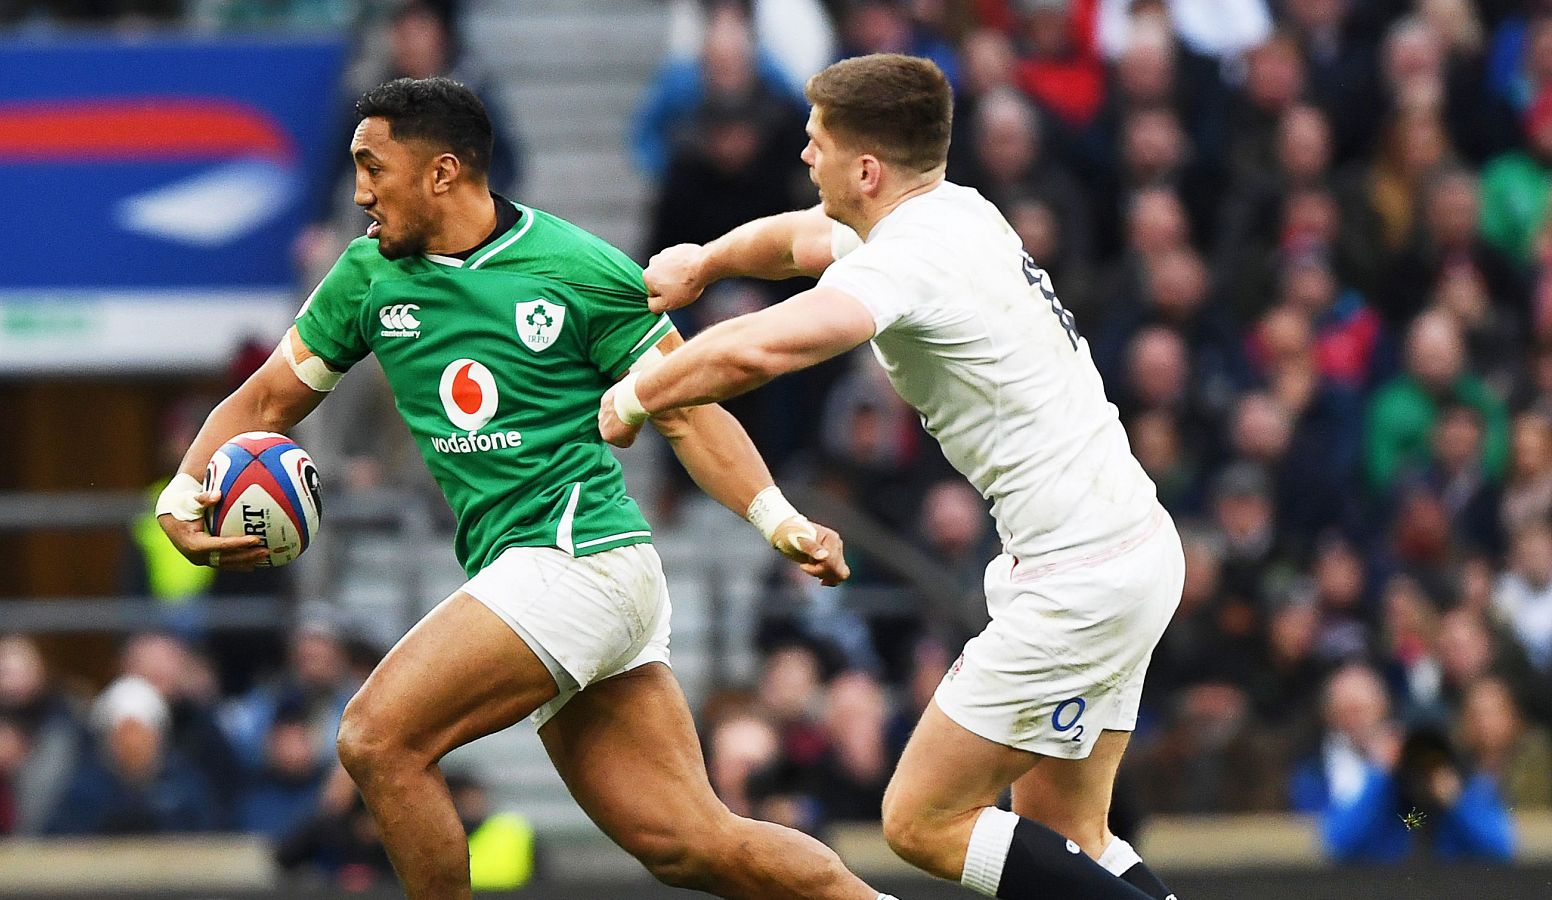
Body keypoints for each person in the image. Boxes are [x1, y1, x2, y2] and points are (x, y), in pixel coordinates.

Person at [152, 76, 897, 900]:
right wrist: (180, 496)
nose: (358, 191)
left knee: (374, 738)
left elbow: (688, 408)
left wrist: (775, 517)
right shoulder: (366, 276)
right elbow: (265, 401)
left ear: (442, 172)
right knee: (692, 843)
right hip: (552, 575)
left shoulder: (578, 268)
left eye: (373, 168)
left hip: (579, 555)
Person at [601, 53, 1184, 900]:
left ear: (865, 169)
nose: (805, 157)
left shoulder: (908, 261)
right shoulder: (952, 212)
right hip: (1129, 550)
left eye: (816, 143)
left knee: (920, 819)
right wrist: (706, 262)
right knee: (1068, 836)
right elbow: (800, 239)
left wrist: (638, 394)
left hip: (1078, 581)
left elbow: (769, 345)